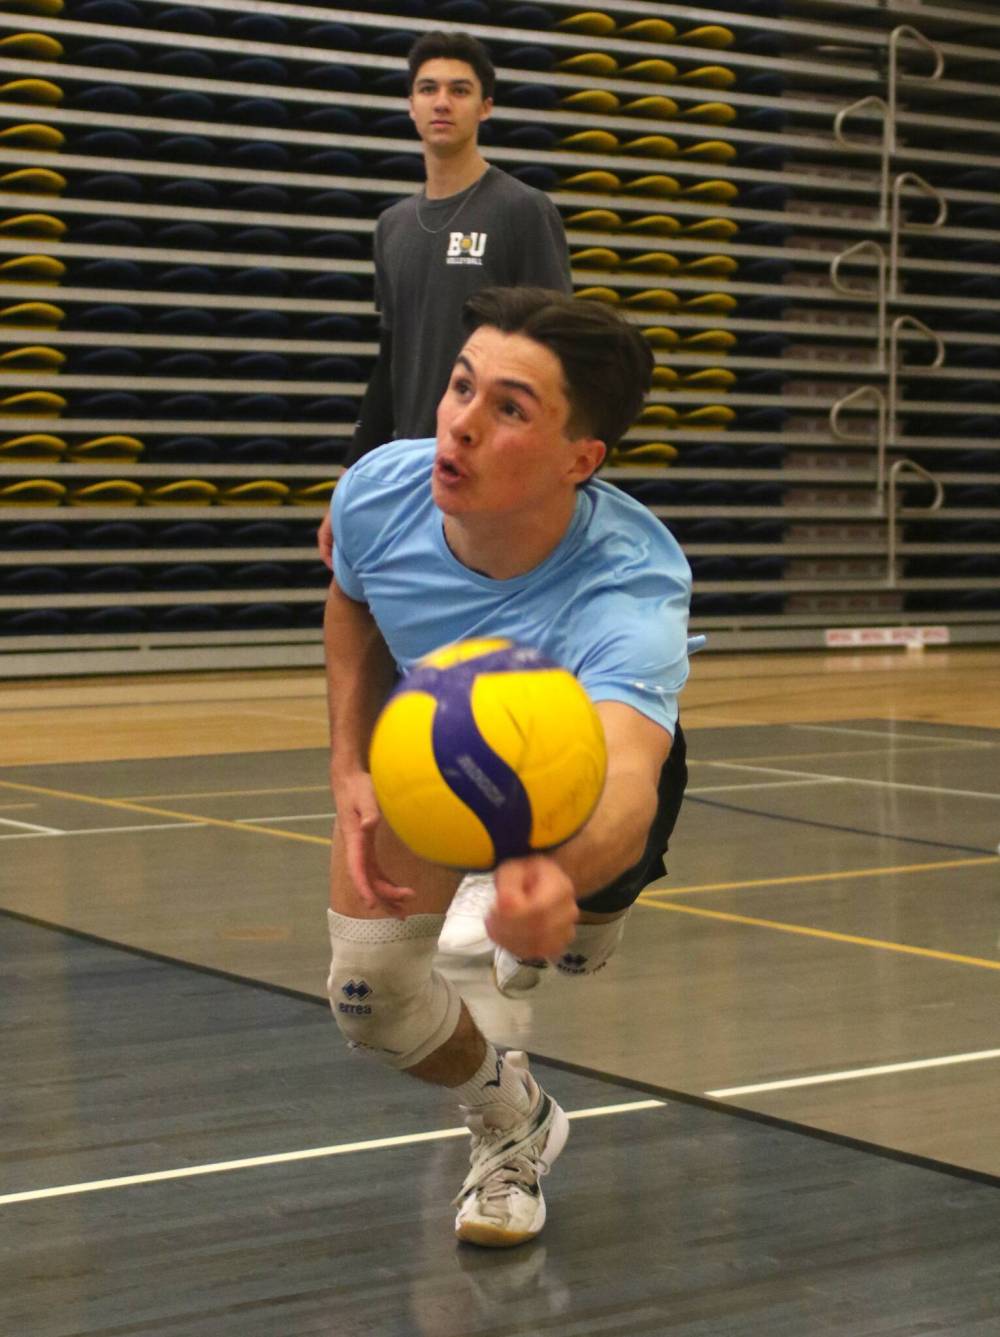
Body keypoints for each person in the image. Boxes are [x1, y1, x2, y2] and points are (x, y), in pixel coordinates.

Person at [324, 286, 691, 1248]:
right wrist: (348, 765)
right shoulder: (376, 490)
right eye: (459, 387)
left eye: (509, 408)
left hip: (576, 770)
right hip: (432, 745)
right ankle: (512, 1120)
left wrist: (557, 876)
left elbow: (624, 780)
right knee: (368, 993)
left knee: (573, 943)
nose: (461, 425)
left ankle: (570, 926)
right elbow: (352, 601)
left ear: (583, 459)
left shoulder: (630, 584)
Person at [319, 29, 573, 954]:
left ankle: (513, 871)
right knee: (400, 680)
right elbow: (389, 367)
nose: (441, 103)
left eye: (460, 89)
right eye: (426, 87)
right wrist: (351, 486)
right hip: (404, 486)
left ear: (487, 106)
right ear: (410, 101)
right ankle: (423, 860)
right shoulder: (392, 227)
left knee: (494, 679)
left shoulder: (518, 210)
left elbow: (559, 350)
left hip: (494, 485)